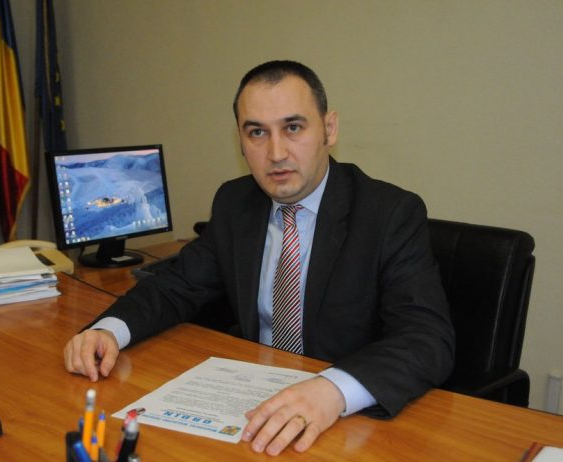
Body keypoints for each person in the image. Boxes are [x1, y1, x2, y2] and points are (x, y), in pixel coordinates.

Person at [64, 60, 455, 456]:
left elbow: (426, 338)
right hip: (251, 412)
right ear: (240, 140)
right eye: (257, 133)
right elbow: (175, 286)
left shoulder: (389, 213)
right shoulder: (236, 202)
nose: (276, 153)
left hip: (346, 425)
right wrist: (108, 331)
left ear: (329, 129)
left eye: (293, 128)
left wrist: (333, 390)